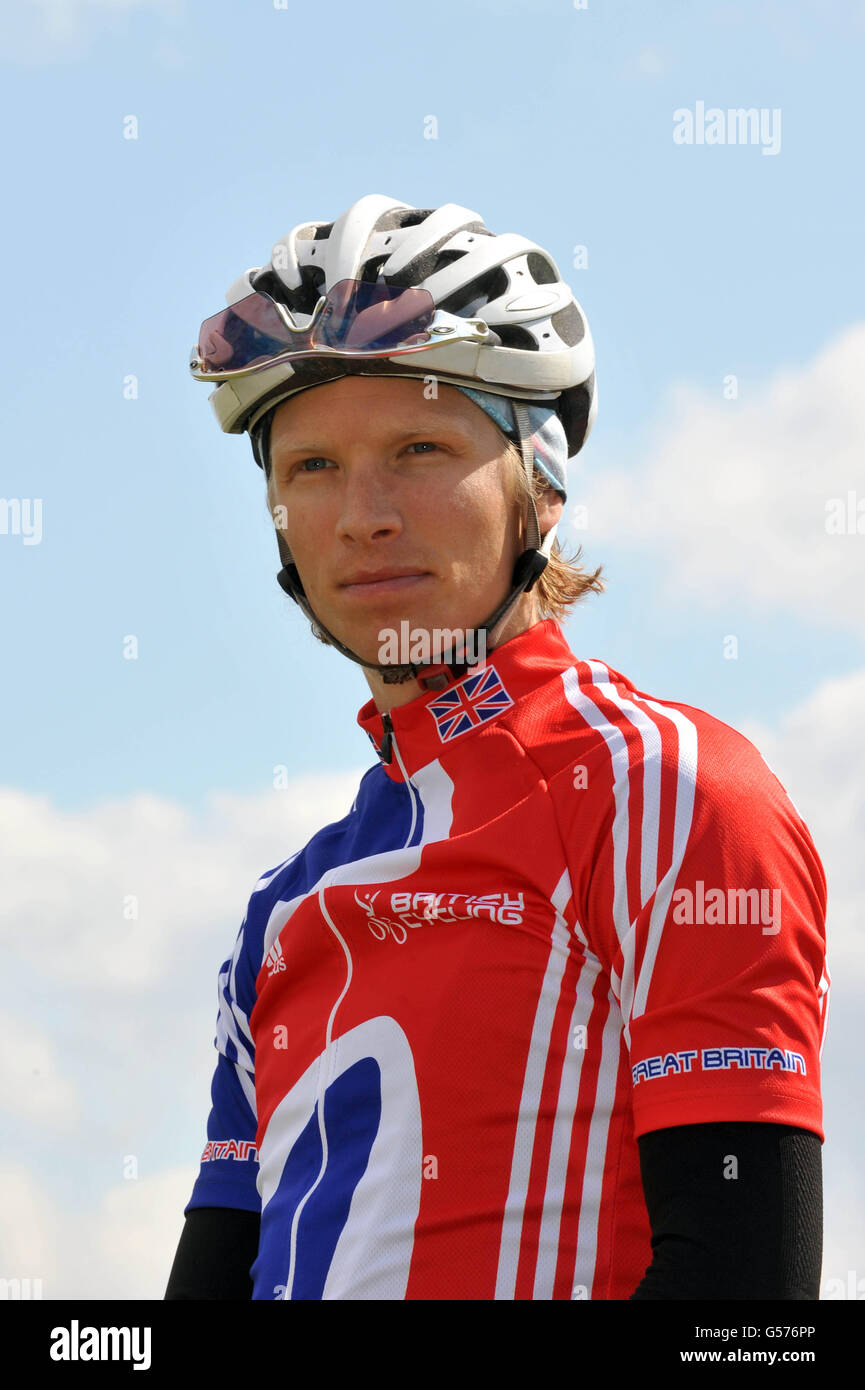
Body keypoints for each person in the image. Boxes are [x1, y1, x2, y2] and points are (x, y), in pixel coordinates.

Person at [165, 194, 828, 1301]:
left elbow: (743, 1307)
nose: (361, 514)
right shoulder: (277, 912)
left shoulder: (668, 795)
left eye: (419, 447)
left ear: (541, 484)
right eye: (311, 468)